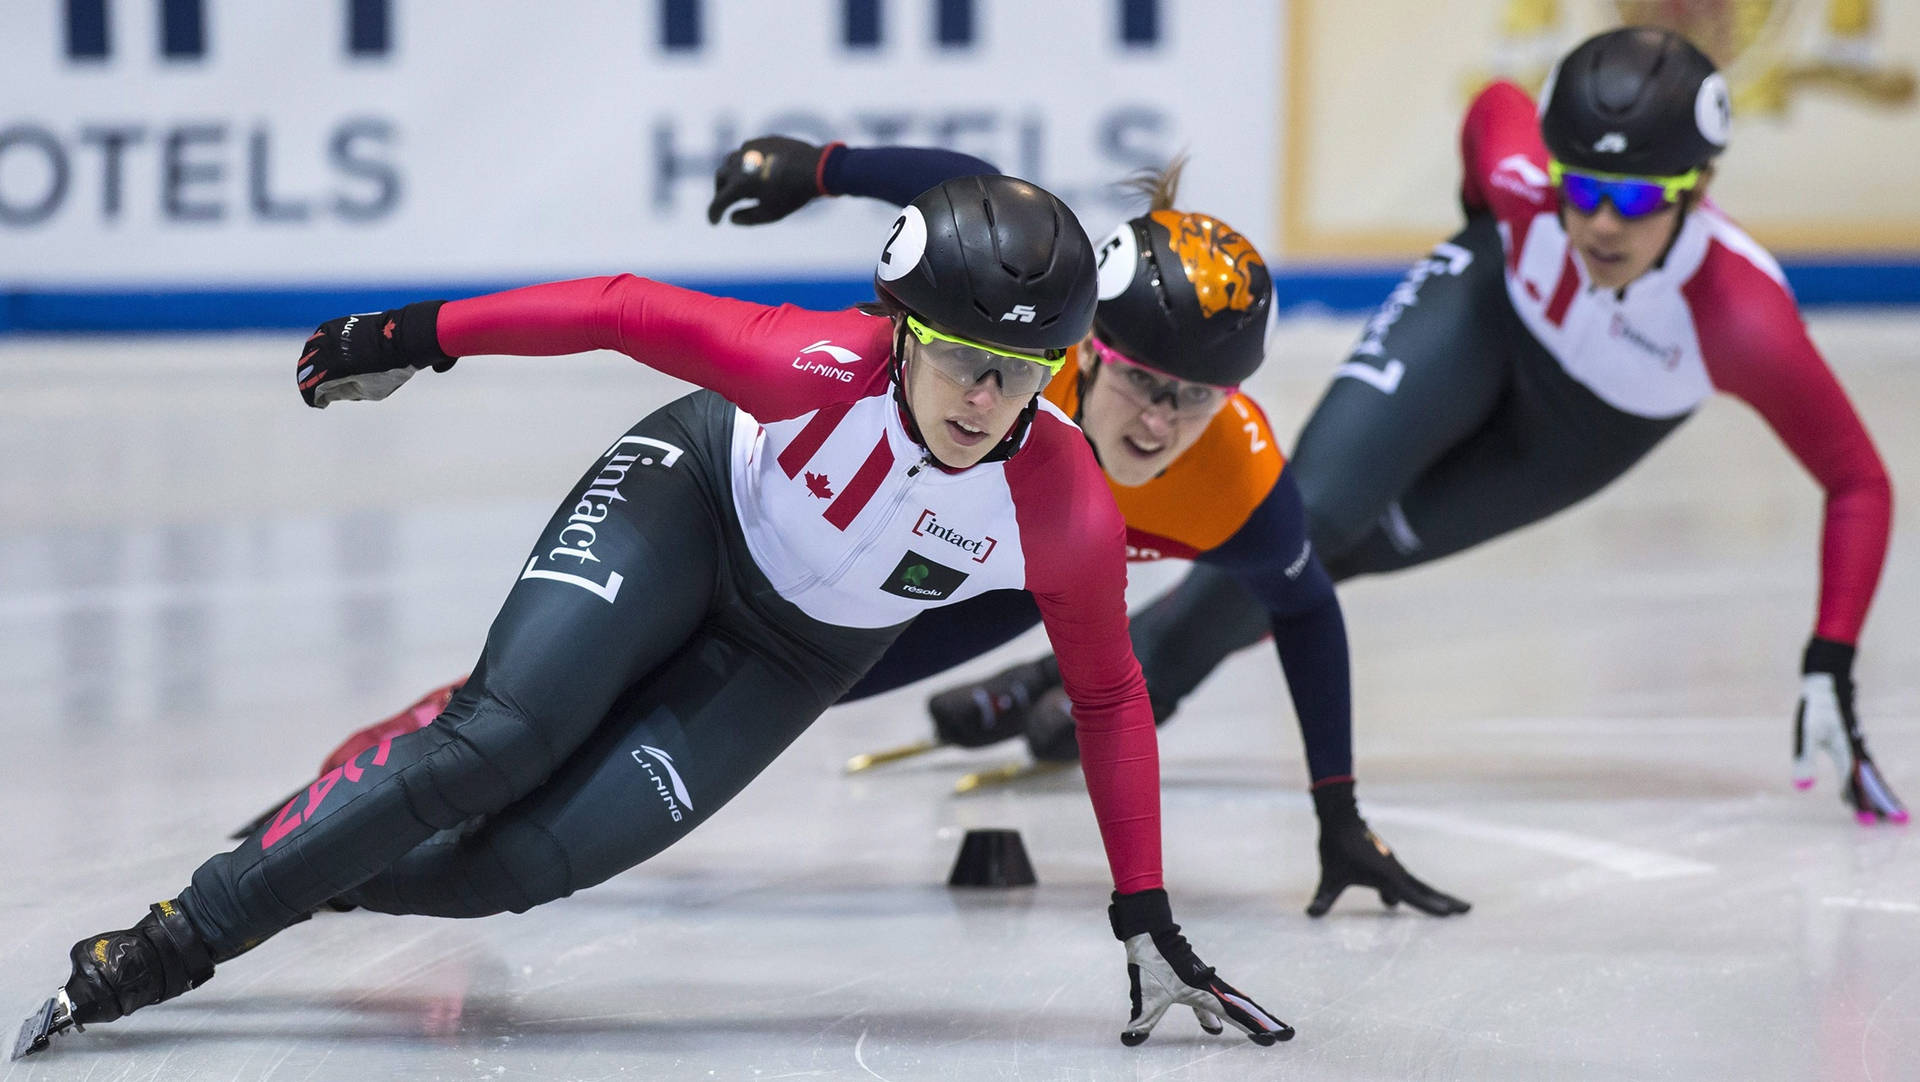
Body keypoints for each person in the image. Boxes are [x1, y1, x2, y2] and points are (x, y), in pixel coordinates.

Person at [10, 175, 1291, 1062]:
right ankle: (173, 939)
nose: (981, 396)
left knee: (510, 870)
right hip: (689, 505)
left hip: (795, 652)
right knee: (487, 747)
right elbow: (621, 309)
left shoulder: (1060, 502)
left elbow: (1114, 696)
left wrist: (1144, 909)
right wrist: (409, 336)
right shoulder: (807, 365)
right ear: (903, 330)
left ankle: (325, 853)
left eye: (1015, 373)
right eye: (959, 355)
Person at [291, 144, 1473, 922]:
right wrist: (820, 167)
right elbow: (964, 185)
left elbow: (1304, 608)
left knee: (733, 689)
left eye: (1197, 399)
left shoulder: (1239, 486)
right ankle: (383, 773)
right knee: (577, 673)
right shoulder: (1001, 362)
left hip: (990, 581)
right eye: (1138, 380)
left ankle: (439, 827)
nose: (1161, 422)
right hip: (828, 498)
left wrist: (1338, 813)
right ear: (1084, 350)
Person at [1090, 25, 1906, 825]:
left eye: (1636, 200)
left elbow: (1858, 481)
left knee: (1346, 556)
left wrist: (1828, 660)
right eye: (1582, 190)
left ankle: (1088, 688)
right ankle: (1100, 690)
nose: (1603, 225)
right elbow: (1494, 107)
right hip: (1484, 314)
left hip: (1580, 429)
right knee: (1312, 514)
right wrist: (1486, 221)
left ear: (1698, 188)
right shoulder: (1526, 186)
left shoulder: (1740, 319)